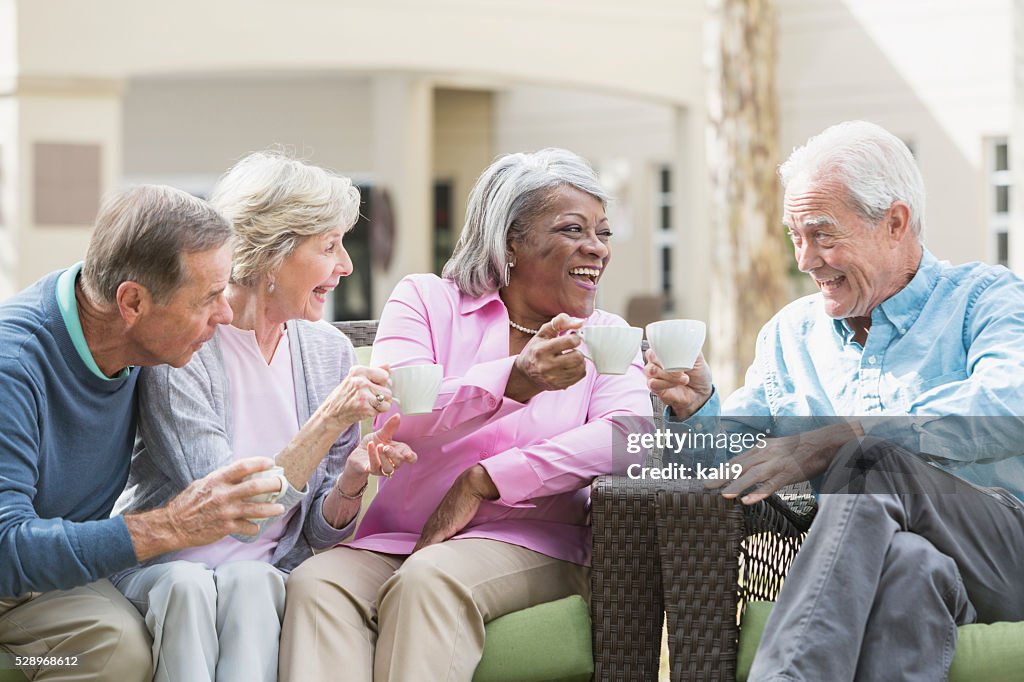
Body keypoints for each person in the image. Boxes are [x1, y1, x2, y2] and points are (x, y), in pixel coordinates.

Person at [646, 120, 1024, 680]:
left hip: (1002, 554)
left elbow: (1006, 407)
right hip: (889, 567)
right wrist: (693, 410)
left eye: (822, 234)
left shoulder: (985, 299)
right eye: (794, 236)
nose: (805, 259)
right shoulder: (789, 336)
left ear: (895, 223)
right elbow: (734, 466)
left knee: (868, 456)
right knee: (907, 564)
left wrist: (840, 438)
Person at [278, 148, 653, 681]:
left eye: (603, 232)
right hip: (404, 535)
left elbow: (629, 437)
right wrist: (514, 381)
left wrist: (487, 479)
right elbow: (401, 416)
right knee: (318, 584)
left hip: (535, 540)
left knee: (430, 579)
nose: (596, 248)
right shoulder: (425, 302)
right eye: (574, 229)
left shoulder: (604, 335)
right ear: (509, 242)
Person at [112, 152, 416, 682]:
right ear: (272, 254)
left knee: (252, 583)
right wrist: (327, 421)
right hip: (165, 564)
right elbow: (227, 501)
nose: (346, 265)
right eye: (329, 246)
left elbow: (319, 536)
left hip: (263, 570)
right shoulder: (185, 344)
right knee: (188, 585)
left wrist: (350, 481)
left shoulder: (329, 353)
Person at [0, 185, 293, 681]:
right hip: (12, 565)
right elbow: (7, 548)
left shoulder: (139, 345)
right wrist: (173, 526)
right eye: (209, 297)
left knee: (120, 647)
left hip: (56, 579)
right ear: (132, 301)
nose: (223, 315)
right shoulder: (14, 365)